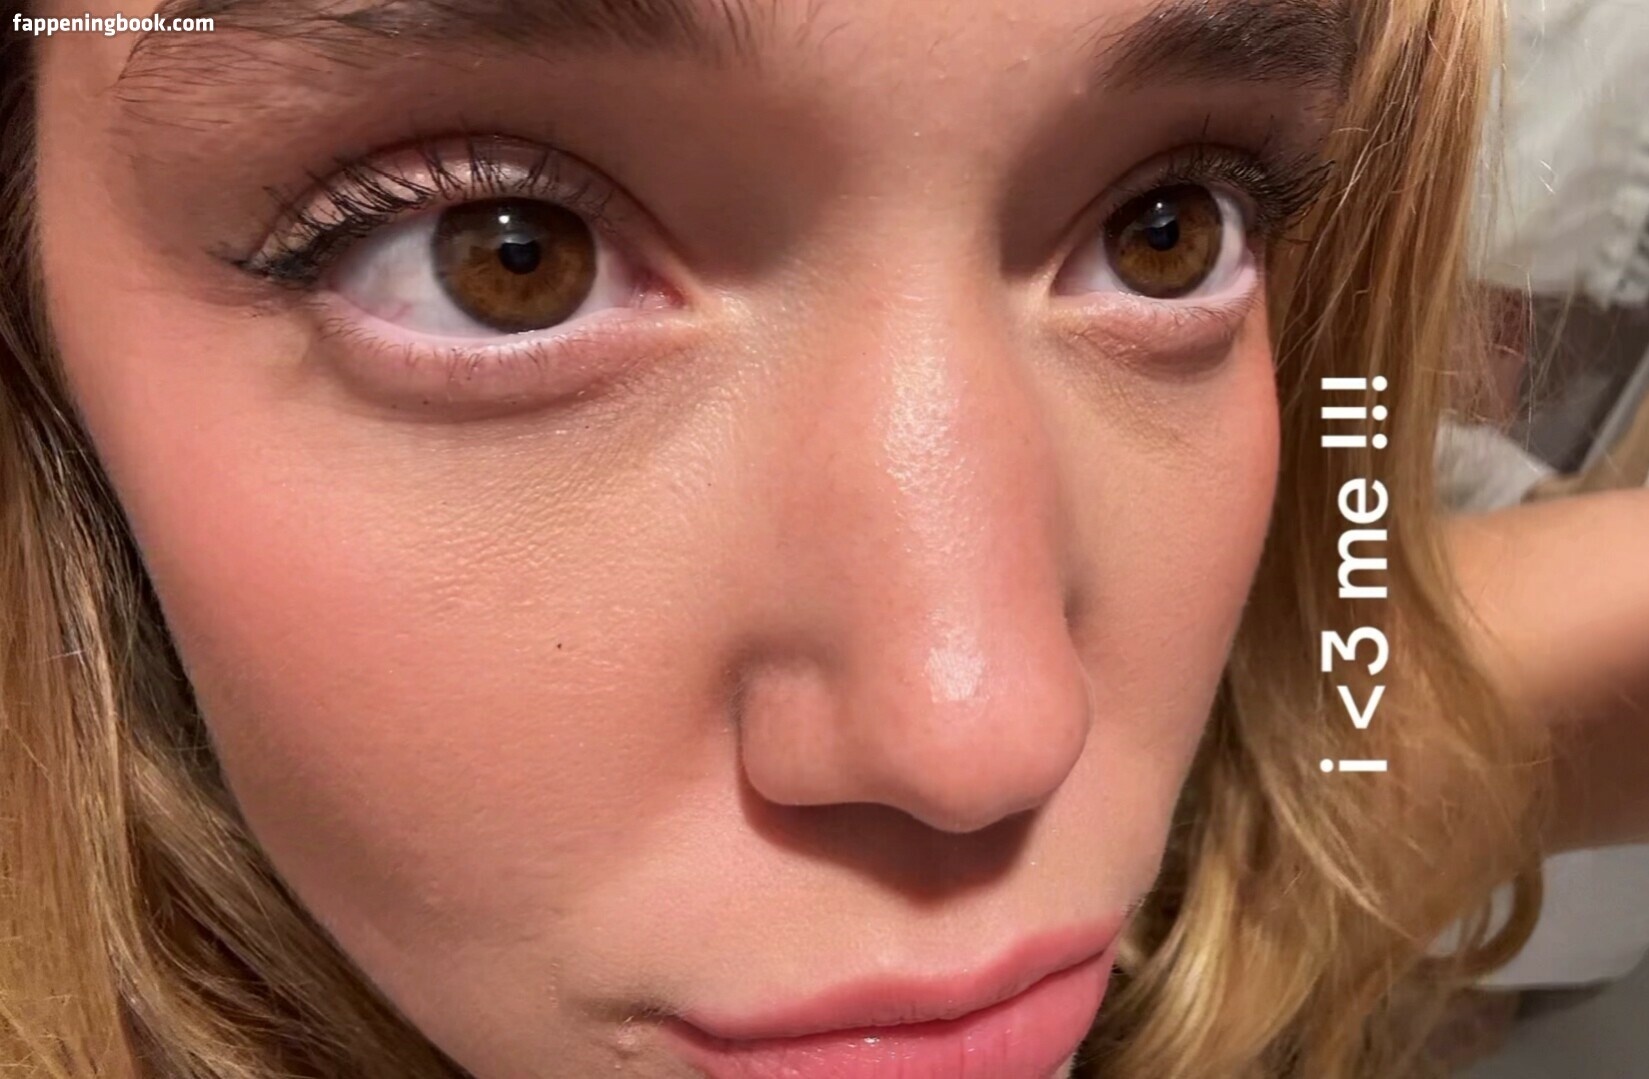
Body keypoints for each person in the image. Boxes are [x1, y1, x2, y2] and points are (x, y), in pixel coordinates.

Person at [0, 2, 1645, 1078]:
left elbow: (1358, 691)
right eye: (509, 259)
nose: (981, 737)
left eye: (1165, 228)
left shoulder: (1301, 771)